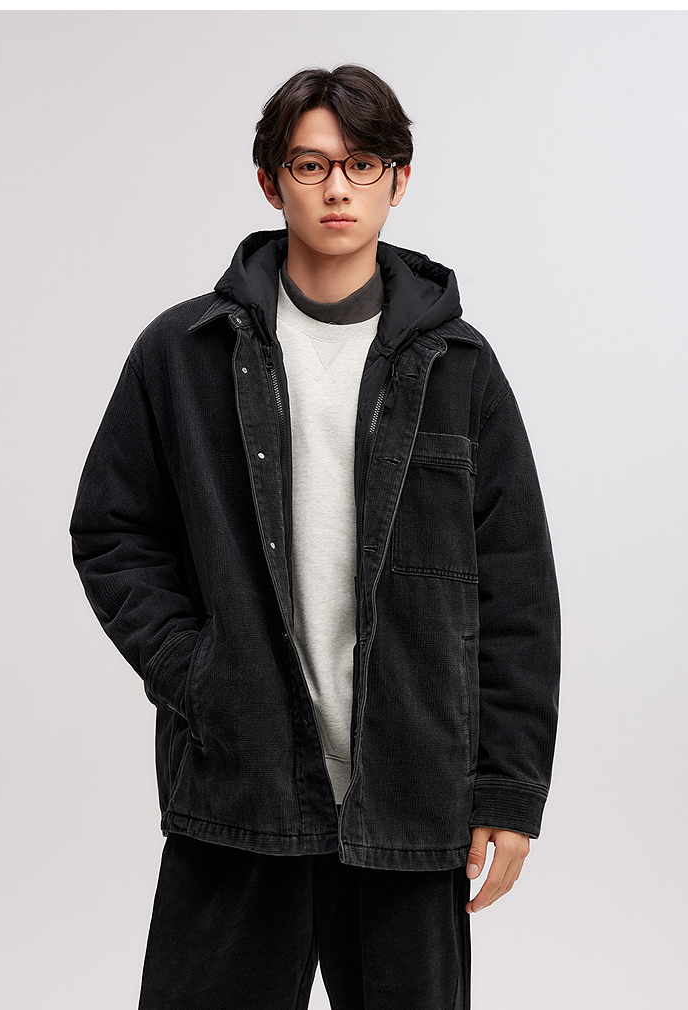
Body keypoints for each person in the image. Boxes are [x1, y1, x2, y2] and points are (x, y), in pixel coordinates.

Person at [69, 64, 561, 1010]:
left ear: (398, 181)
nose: (339, 188)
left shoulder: (459, 368)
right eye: (311, 164)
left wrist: (508, 790)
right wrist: (200, 673)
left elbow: (516, 589)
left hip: (413, 793)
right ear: (271, 182)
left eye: (363, 164)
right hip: (240, 786)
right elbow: (112, 530)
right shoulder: (184, 352)